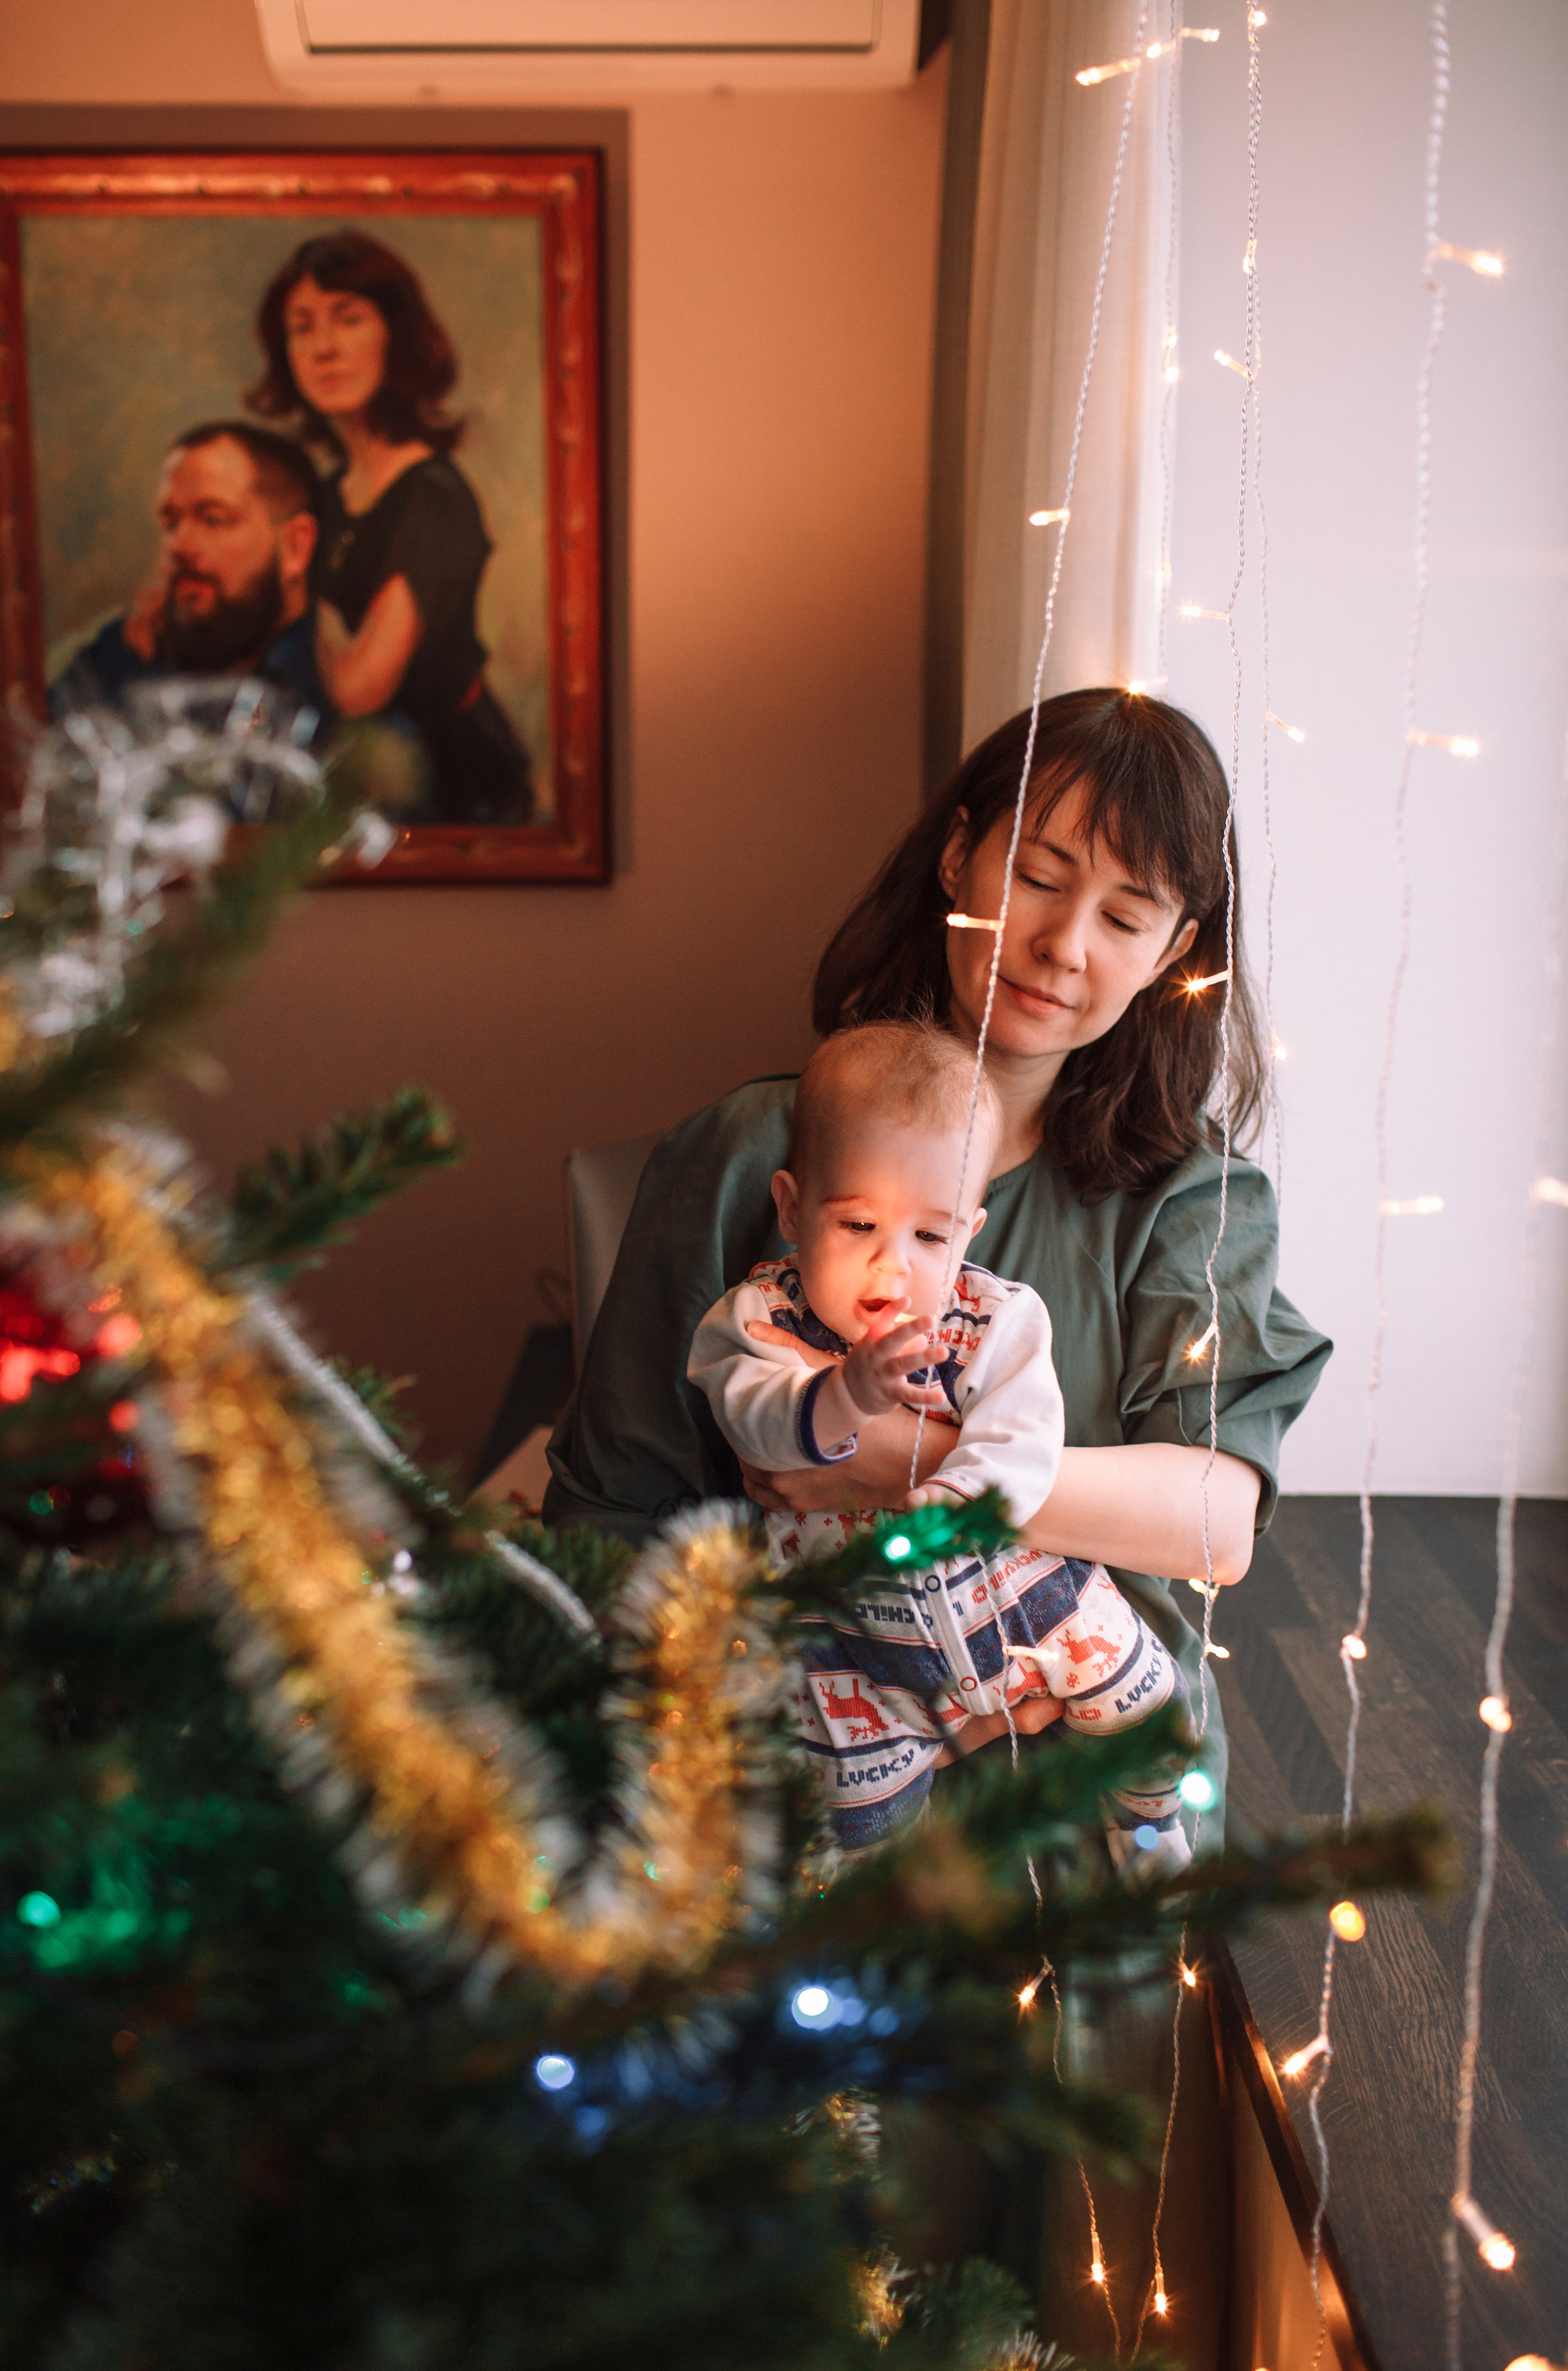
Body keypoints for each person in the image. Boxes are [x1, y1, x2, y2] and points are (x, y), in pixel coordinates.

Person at [545, 688, 1332, 1853]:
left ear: (1175, 953)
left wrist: (896, 1461)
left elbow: (1217, 1520)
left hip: (1084, 1782)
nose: (1065, 945)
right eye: (1040, 873)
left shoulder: (1193, 1200)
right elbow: (607, 1517)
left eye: (1127, 916)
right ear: (960, 858)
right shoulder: (747, 1155)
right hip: (802, 1771)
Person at [687, 1019, 1193, 1868]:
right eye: (858, 1227)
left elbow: (1024, 1440)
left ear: (970, 1230)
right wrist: (843, 1397)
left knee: (1150, 1710)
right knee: (847, 1818)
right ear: (791, 1208)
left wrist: (946, 1506)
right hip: (852, 1643)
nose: (894, 1270)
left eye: (930, 1237)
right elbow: (752, 1421)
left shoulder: (998, 1319)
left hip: (1028, 1602)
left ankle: (1147, 1827)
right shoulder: (756, 1320)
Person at [246, 229, 535, 828]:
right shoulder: (325, 496)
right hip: (364, 776)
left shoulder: (433, 499)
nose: (324, 348)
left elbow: (359, 688)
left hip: (454, 784)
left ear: (395, 337)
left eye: (347, 319)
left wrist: (303, 599)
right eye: (303, 328)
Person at [49, 422, 327, 725]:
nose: (178, 545)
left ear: (296, 546)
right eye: (171, 523)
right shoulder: (129, 650)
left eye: (213, 519)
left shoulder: (328, 683)